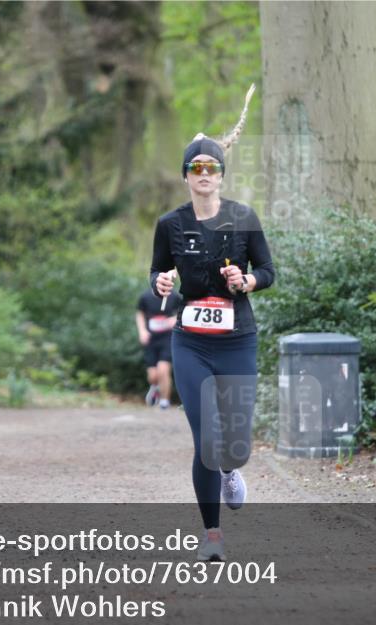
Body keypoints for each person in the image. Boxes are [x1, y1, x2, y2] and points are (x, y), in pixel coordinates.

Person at [150, 86, 274, 561]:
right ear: (185, 176)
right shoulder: (170, 224)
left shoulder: (244, 218)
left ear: (221, 175)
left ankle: (229, 470)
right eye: (196, 168)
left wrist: (246, 281)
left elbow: (269, 272)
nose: (204, 175)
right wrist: (162, 282)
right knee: (206, 438)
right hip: (191, 342)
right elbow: (158, 271)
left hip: (237, 339)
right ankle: (212, 537)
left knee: (234, 442)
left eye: (212, 168)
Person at [136, 287, 181, 409]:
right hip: (151, 339)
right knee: (153, 376)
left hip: (167, 338)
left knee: (163, 369)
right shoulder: (145, 296)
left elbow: (183, 311)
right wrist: (142, 331)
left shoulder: (175, 296)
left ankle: (164, 401)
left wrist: (175, 319)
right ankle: (155, 387)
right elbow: (140, 314)